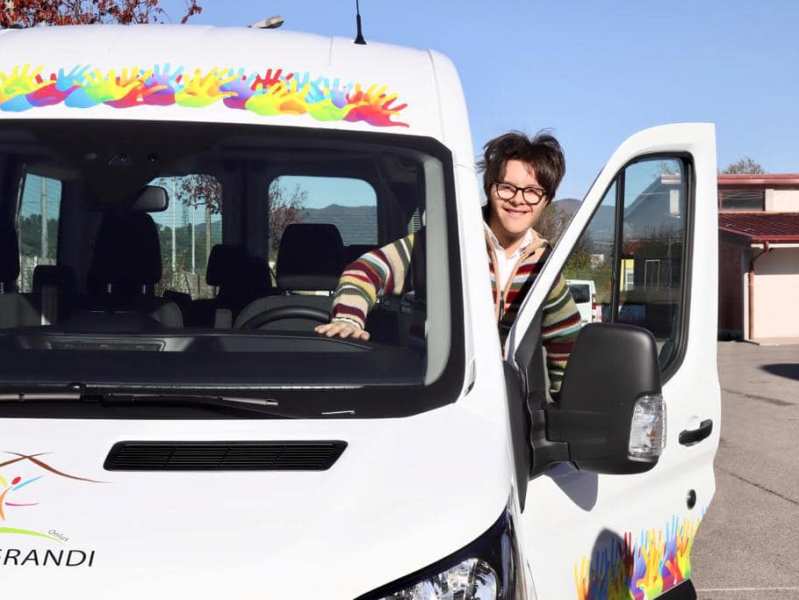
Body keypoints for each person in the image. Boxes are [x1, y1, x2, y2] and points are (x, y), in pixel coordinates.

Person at [315, 131, 582, 396]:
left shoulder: (545, 264)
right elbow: (366, 270)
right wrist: (349, 319)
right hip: (434, 395)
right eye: (506, 187)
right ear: (489, 188)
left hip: (504, 401)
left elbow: (566, 338)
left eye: (533, 191)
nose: (518, 199)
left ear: (547, 199)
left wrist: (565, 404)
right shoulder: (446, 240)